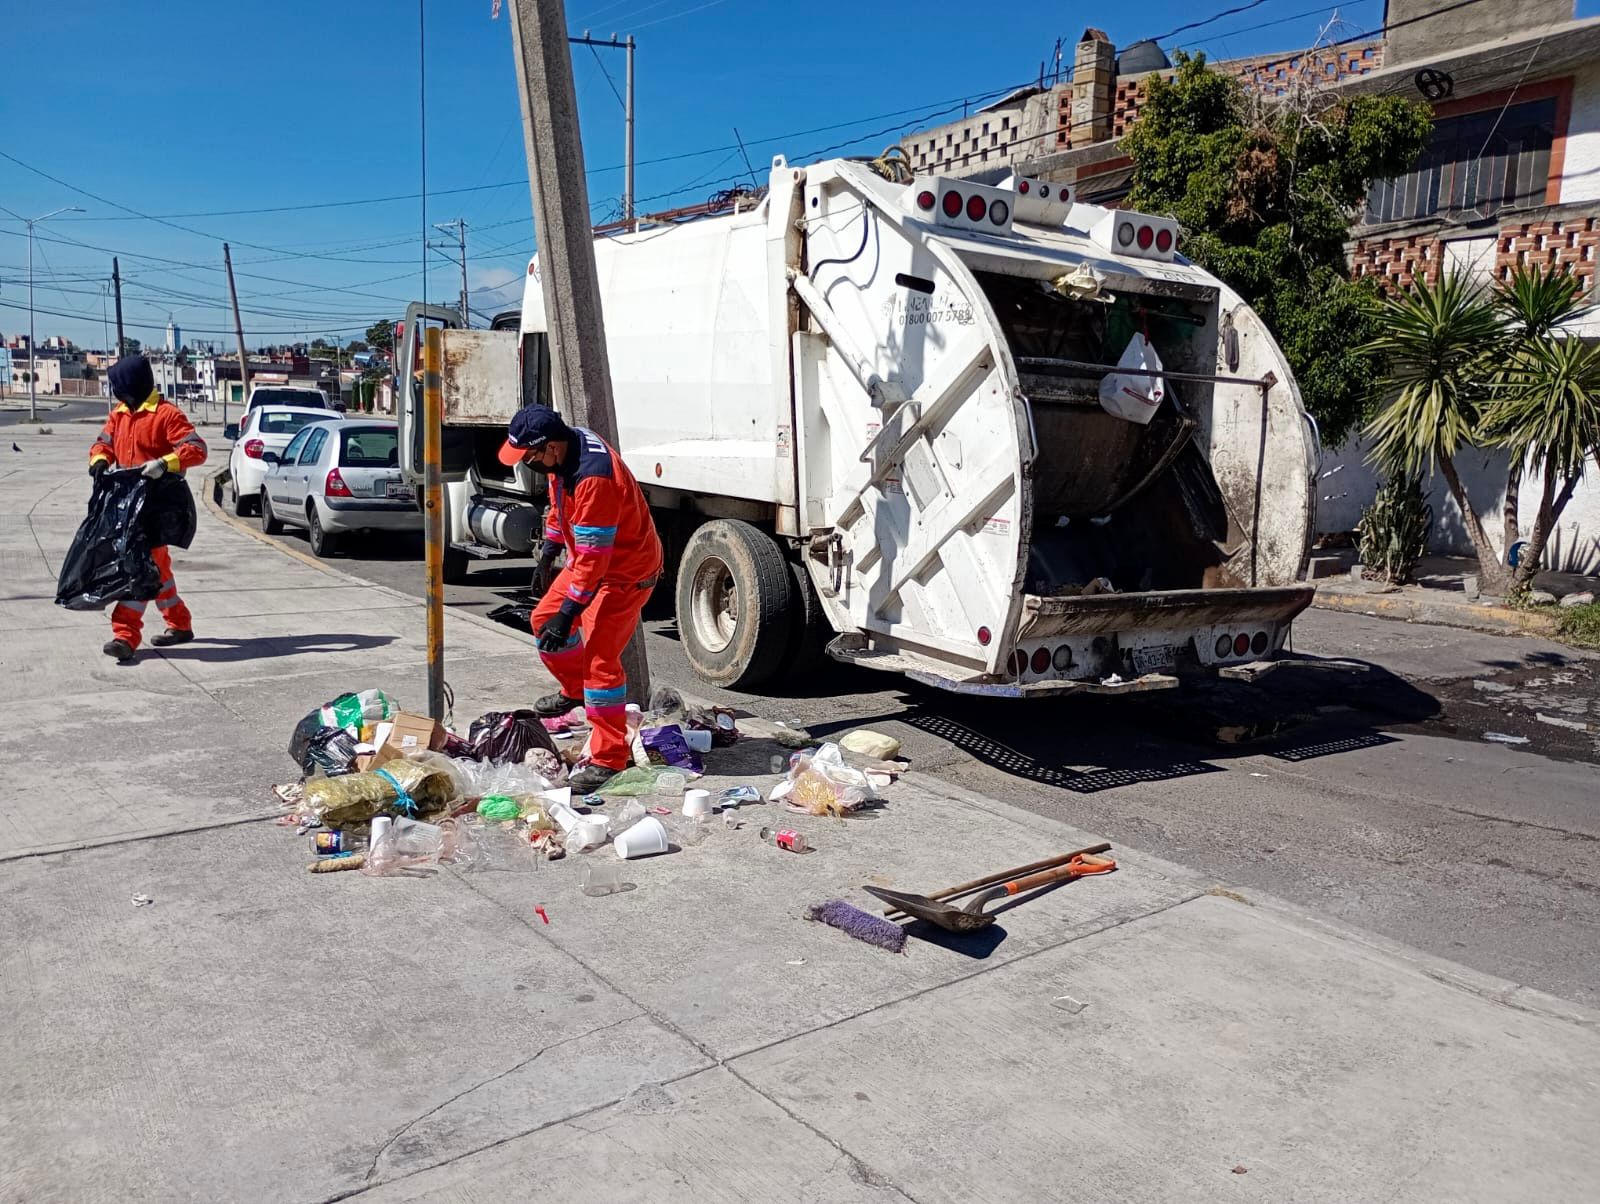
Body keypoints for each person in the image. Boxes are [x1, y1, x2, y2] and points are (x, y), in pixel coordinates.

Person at [499, 404, 662, 793]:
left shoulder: (594, 478)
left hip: (624, 574)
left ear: (551, 447)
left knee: (600, 663)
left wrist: (570, 610)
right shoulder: (565, 455)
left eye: (530, 457)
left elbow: (594, 560)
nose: (528, 465)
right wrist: (550, 553)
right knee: (543, 621)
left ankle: (609, 758)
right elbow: (560, 506)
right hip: (594, 561)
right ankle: (575, 691)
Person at [90, 355, 208, 661]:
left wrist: (164, 463)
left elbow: (197, 449)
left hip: (156, 507)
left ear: (132, 384)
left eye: (117, 384)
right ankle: (179, 623)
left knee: (140, 568)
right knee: (158, 569)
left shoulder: (166, 414)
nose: (115, 390)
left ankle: (125, 636)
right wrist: (100, 459)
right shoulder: (119, 415)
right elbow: (103, 442)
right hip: (127, 506)